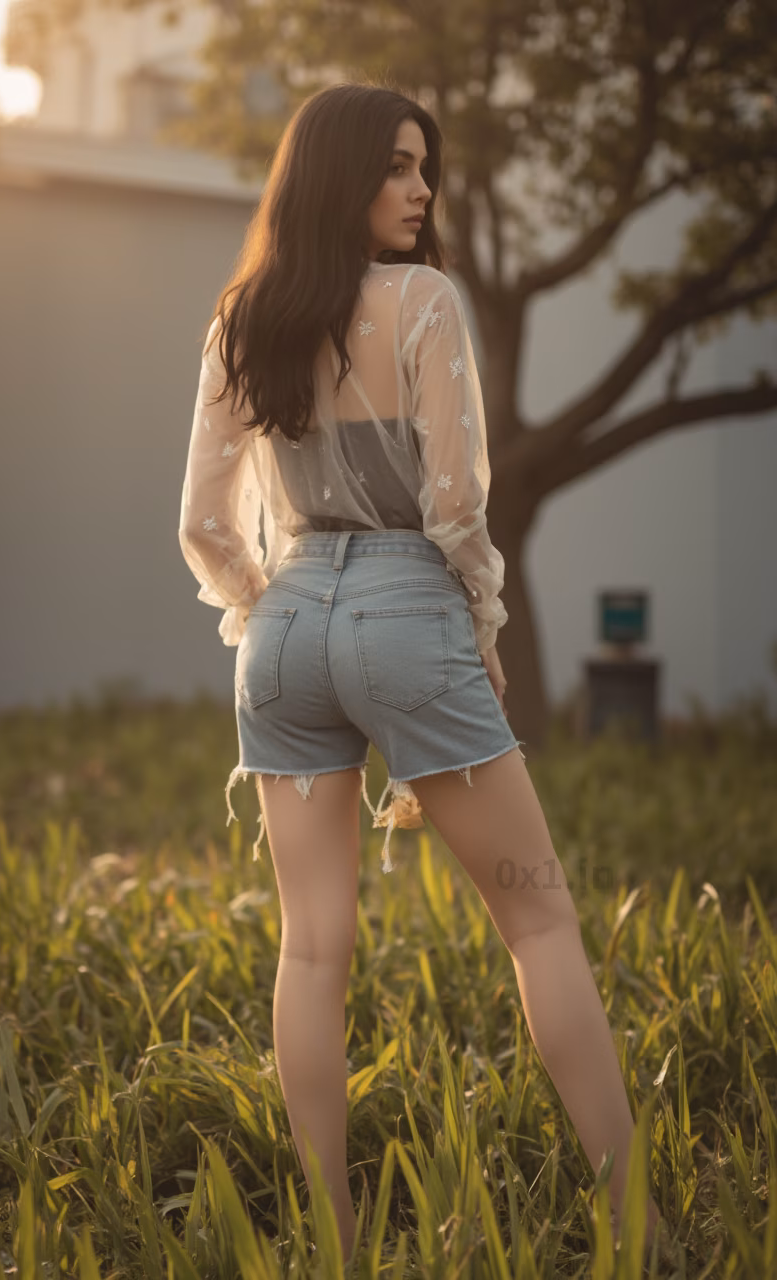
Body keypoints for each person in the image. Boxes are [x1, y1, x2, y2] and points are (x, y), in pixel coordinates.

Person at [177, 81, 664, 1268]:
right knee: (540, 918)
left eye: (423, 167)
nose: (419, 189)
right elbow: (455, 507)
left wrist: (275, 609)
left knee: (308, 948)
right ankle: (643, 1234)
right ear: (341, 175)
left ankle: (338, 1246)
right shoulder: (423, 303)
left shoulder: (245, 316)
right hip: (406, 608)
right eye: (396, 167)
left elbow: (201, 521)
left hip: (282, 631)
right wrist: (479, 632)